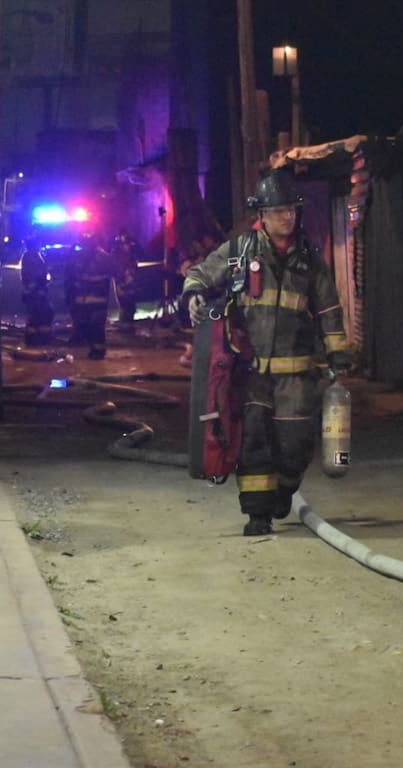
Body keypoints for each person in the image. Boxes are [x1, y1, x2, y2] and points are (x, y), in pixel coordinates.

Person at [182, 169, 354, 536]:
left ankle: (285, 492)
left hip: (296, 377)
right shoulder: (240, 251)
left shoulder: (309, 259)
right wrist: (193, 293)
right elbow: (201, 272)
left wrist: (338, 354)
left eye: (291, 209)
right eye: (279, 210)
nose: (287, 216)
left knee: (295, 447)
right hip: (252, 375)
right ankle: (257, 515)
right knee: (254, 443)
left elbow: (329, 310)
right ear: (262, 214)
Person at [64, 228, 118, 359]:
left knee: (97, 327)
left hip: (98, 300)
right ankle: (93, 349)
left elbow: (115, 272)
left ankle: (98, 352)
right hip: (83, 301)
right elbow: (72, 275)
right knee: (85, 326)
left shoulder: (104, 257)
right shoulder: (80, 257)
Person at [19, 231, 54, 346]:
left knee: (43, 314)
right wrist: (38, 287)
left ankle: (40, 338)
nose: (40, 245)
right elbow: (34, 275)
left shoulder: (35, 256)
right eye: (38, 244)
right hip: (35, 292)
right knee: (37, 316)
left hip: (37, 291)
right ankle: (34, 340)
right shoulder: (30, 257)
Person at [112, 227, 143, 333]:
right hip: (121, 279)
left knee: (131, 301)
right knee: (123, 303)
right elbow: (115, 263)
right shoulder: (116, 248)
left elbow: (139, 254)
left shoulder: (133, 245)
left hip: (131, 277)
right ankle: (124, 325)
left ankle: (129, 324)